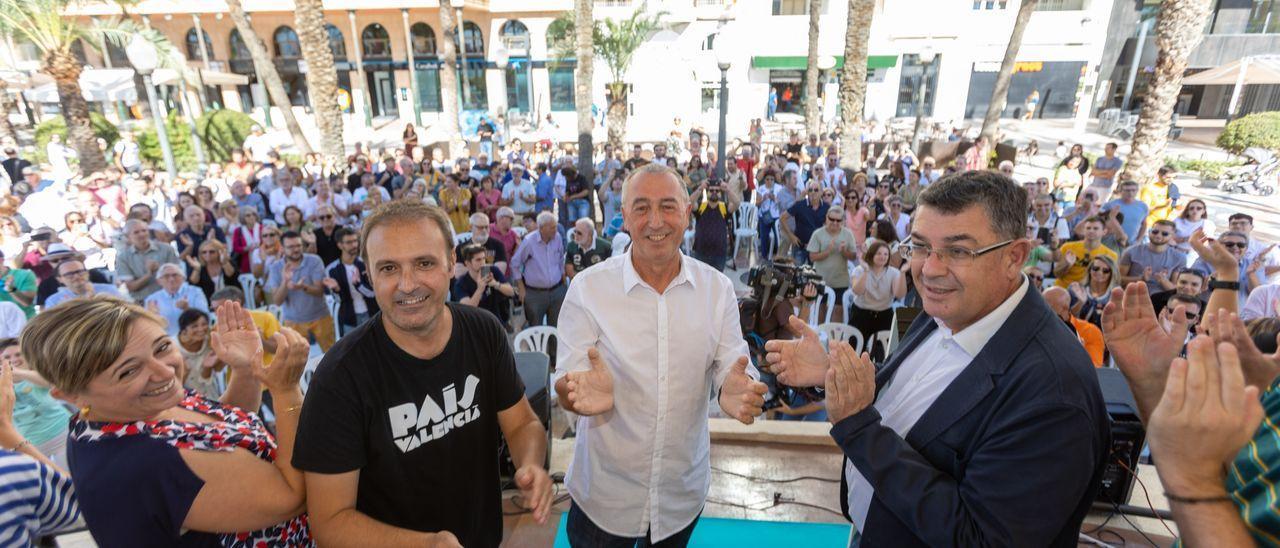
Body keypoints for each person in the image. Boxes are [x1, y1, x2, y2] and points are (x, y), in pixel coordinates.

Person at [765, 170, 1109, 546]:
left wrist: (859, 427)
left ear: (1014, 257)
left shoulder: (1055, 394)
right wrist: (833, 374)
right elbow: (919, 398)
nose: (929, 269)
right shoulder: (948, 307)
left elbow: (979, 539)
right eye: (921, 246)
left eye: (959, 251)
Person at [293, 200, 551, 547]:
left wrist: (531, 464)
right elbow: (330, 522)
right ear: (369, 274)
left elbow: (521, 423)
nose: (407, 284)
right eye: (388, 268)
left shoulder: (484, 331)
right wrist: (425, 544)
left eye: (424, 263)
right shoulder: (340, 377)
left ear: (451, 264)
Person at [554, 163, 767, 546]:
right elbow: (568, 379)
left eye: (668, 206)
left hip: (679, 495)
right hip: (604, 495)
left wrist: (737, 387)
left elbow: (732, 366)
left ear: (687, 214)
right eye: (641, 207)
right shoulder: (588, 290)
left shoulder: (717, 290)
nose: (656, 221)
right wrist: (579, 395)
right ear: (624, 218)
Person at [22, 296, 314, 545]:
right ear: (73, 395)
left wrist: (245, 370)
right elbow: (293, 496)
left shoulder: (125, 410)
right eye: (128, 371)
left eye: (162, 347)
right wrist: (287, 391)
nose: (165, 372)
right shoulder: (147, 460)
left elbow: (220, 434)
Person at [267, 231, 336, 352]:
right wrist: (285, 282)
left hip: (320, 316)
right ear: (282, 248)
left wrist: (303, 287)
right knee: (298, 361)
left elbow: (320, 291)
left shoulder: (314, 260)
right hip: (293, 321)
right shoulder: (275, 267)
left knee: (332, 355)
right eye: (291, 247)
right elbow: (277, 301)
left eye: (298, 245)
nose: (296, 249)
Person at [848, 241, 907, 361]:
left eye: (886, 254)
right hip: (861, 313)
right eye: (879, 253)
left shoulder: (893, 272)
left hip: (884, 314)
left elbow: (899, 294)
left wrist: (902, 273)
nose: (883, 257)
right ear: (871, 254)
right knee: (856, 350)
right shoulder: (859, 270)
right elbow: (857, 291)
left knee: (882, 352)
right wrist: (866, 272)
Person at [511, 212, 568, 328]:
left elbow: (561, 259)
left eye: (555, 226)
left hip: (557, 291)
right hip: (535, 294)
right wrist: (521, 288)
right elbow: (514, 263)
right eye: (552, 227)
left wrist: (563, 281)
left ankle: (553, 347)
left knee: (556, 329)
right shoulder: (529, 241)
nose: (556, 230)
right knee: (535, 328)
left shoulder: (557, 238)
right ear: (541, 228)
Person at [322, 227, 379, 335]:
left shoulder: (366, 263)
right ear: (340, 245)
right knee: (353, 349)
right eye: (349, 242)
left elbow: (374, 293)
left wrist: (358, 285)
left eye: (355, 241)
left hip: (372, 314)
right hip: (349, 318)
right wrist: (337, 289)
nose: (354, 245)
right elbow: (337, 300)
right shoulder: (332, 270)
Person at [451, 242, 515, 325]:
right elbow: (467, 310)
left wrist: (495, 284)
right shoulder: (461, 283)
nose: (483, 263)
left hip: (496, 322)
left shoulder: (493, 270)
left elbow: (511, 292)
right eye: (478, 260)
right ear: (468, 263)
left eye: (484, 258)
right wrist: (480, 289)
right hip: (475, 326)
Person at [1042, 287, 1104, 367]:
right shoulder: (1037, 329)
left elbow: (1094, 370)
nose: (1042, 311)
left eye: (1047, 306)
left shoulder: (1090, 331)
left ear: (1065, 308)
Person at [145, 263, 211, 336]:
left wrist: (187, 309)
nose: (171, 279)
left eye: (175, 275)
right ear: (159, 281)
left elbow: (206, 318)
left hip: (193, 338)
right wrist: (153, 316)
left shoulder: (195, 292)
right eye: (166, 276)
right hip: (168, 339)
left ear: (183, 278)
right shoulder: (152, 299)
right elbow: (149, 327)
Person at [1054, 216, 1118, 288]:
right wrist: (1067, 265)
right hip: (1063, 289)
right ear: (1083, 230)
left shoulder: (1110, 255)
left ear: (1104, 232)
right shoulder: (1067, 247)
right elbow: (1057, 274)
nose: (1091, 231)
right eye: (1088, 228)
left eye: (1095, 228)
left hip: (1089, 293)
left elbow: (1111, 281)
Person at [44, 258, 121, 308]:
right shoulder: (54, 301)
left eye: (80, 272)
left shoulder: (109, 290)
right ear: (59, 279)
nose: (76, 276)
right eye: (69, 274)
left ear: (87, 273)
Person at [1068, 255, 1121, 328]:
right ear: (1089, 270)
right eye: (1096, 268)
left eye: (1105, 271)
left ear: (1111, 273)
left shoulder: (1116, 295)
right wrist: (1080, 303)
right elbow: (1066, 318)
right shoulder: (1075, 289)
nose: (1100, 273)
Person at [1100, 180, 1149, 245]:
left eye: (1133, 190)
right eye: (1127, 190)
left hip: (1132, 243)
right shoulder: (1110, 205)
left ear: (1137, 191)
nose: (1130, 193)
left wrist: (1138, 240)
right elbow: (1100, 222)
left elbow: (1144, 224)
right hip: (1112, 243)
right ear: (1121, 191)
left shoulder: (1143, 206)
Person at [0, 250, 36, 318]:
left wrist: (11, 288)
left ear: (1, 260)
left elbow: (27, 302)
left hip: (27, 323)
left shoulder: (24, 274)